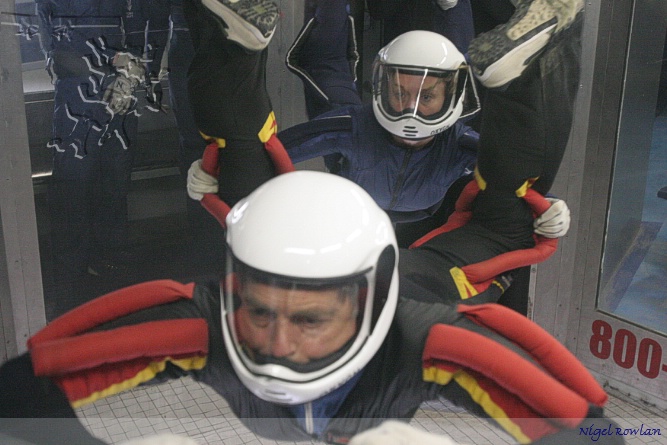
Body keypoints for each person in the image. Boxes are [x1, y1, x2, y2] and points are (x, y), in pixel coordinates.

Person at [0, 1, 622, 445]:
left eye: (311, 317)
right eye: (261, 310)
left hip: (414, 260)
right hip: (417, 265)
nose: (280, 346)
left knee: (507, 205)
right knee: (506, 209)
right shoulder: (425, 342)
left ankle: (233, 44)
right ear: (232, 290)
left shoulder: (415, 339)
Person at [35, 0, 154, 300]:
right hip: (78, 82)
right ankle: (71, 280)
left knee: (116, 176)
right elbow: (48, 23)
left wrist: (132, 70)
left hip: (120, 82)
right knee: (74, 182)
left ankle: (111, 264)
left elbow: (140, 19)